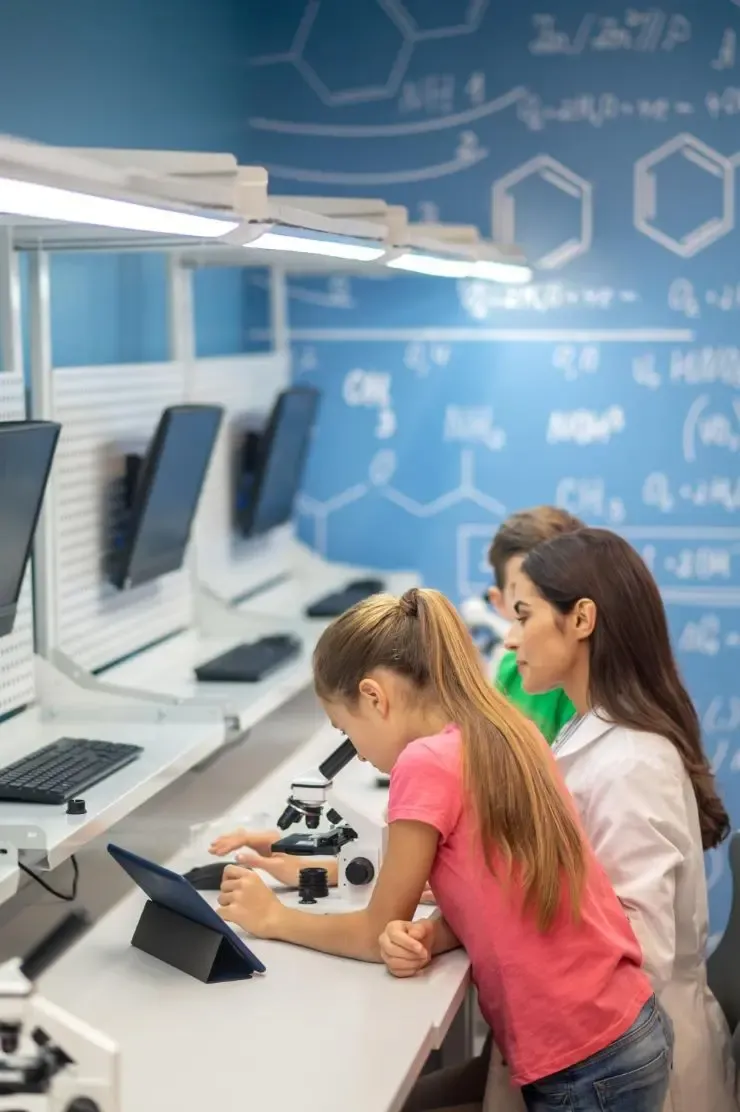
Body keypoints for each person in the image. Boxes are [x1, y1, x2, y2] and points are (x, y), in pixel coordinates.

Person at [216, 587, 673, 1112]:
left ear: (374, 697)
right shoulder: (507, 729)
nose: (360, 757)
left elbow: (371, 931)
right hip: (627, 1031)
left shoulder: (424, 763)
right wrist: (435, 933)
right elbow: (511, 888)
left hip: (582, 1064)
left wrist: (273, 918)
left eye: (348, 732)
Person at [390, 531, 733, 1112]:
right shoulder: (585, 733)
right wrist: (460, 912)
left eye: (524, 616)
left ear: (581, 620)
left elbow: (633, 953)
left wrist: (487, 915)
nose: (512, 638)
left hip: (623, 1075)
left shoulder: (630, 765)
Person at [486, 507, 581, 743]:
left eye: (552, 590)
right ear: (499, 602)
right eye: (524, 603)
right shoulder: (504, 671)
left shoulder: (587, 688)